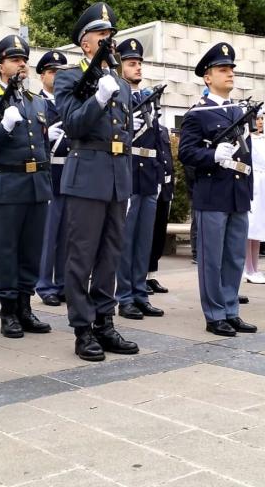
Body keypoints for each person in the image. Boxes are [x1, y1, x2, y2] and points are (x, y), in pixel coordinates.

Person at [54, 2, 139, 360]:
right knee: (81, 257)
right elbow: (73, 125)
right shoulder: (69, 77)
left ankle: (105, 322)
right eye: (101, 36)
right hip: (86, 175)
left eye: (111, 35)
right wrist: (99, 98)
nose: (109, 41)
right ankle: (82, 328)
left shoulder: (120, 80)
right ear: (85, 43)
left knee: (110, 256)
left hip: (117, 176)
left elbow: (126, 133)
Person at [178, 42, 256, 337]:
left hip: (237, 192)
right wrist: (212, 156)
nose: (230, 74)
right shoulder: (198, 113)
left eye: (231, 70)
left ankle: (230, 309)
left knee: (235, 256)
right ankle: (214, 315)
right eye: (223, 70)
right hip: (212, 193)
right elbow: (186, 153)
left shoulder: (237, 110)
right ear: (207, 77)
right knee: (212, 257)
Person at [0, 35, 52, 339]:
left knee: (31, 251)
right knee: (7, 251)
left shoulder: (35, 101)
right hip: (6, 184)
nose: (22, 64)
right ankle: (8, 310)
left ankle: (25, 306)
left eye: (24, 60)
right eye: (14, 59)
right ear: (0, 65)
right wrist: (3, 126)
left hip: (36, 184)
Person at [115, 38, 164, 319]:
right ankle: (124, 296)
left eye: (140, 63)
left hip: (147, 173)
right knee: (126, 239)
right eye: (131, 63)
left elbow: (158, 139)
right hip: (128, 168)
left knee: (144, 238)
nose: (138, 67)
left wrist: (160, 174)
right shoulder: (117, 96)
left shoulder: (148, 97)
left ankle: (140, 291)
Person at [35, 49, 69, 307]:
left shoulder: (69, 102)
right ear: (42, 76)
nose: (56, 76)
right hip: (49, 171)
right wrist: (46, 138)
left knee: (68, 232)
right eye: (51, 72)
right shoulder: (37, 104)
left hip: (70, 171)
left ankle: (63, 283)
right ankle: (45, 284)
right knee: (48, 234)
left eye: (60, 72)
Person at [243, 112, 265, 285]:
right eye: (257, 119)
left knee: (260, 227)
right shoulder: (247, 139)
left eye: (262, 118)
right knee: (251, 227)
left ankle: (256, 267)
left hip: (264, 185)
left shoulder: (264, 140)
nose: (260, 122)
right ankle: (247, 268)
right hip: (253, 182)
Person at [146, 124, 174, 292]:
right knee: (146, 235)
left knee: (158, 235)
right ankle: (140, 275)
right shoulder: (146, 127)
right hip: (151, 184)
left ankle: (151, 275)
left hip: (165, 188)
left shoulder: (163, 129)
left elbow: (167, 157)